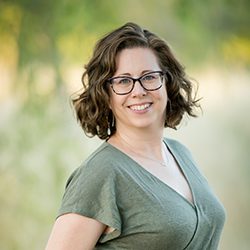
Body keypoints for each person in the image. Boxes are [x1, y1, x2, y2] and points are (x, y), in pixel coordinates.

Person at [45, 22, 225, 250]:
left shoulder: (181, 154)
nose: (138, 91)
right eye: (123, 81)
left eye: (149, 77)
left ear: (167, 83)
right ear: (105, 94)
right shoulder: (101, 174)